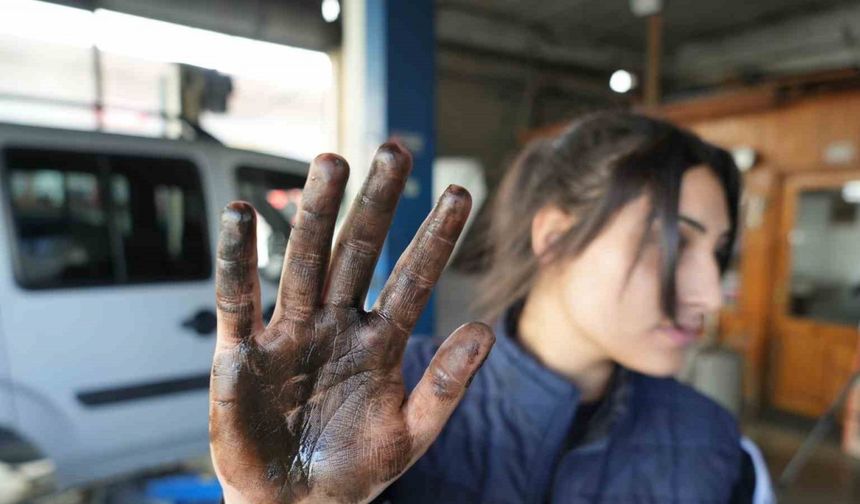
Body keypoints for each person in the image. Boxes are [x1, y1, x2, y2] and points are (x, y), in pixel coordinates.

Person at [209, 112, 762, 503]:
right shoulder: (384, 398)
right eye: (672, 244)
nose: (709, 295)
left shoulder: (714, 443)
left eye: (716, 253)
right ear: (554, 236)